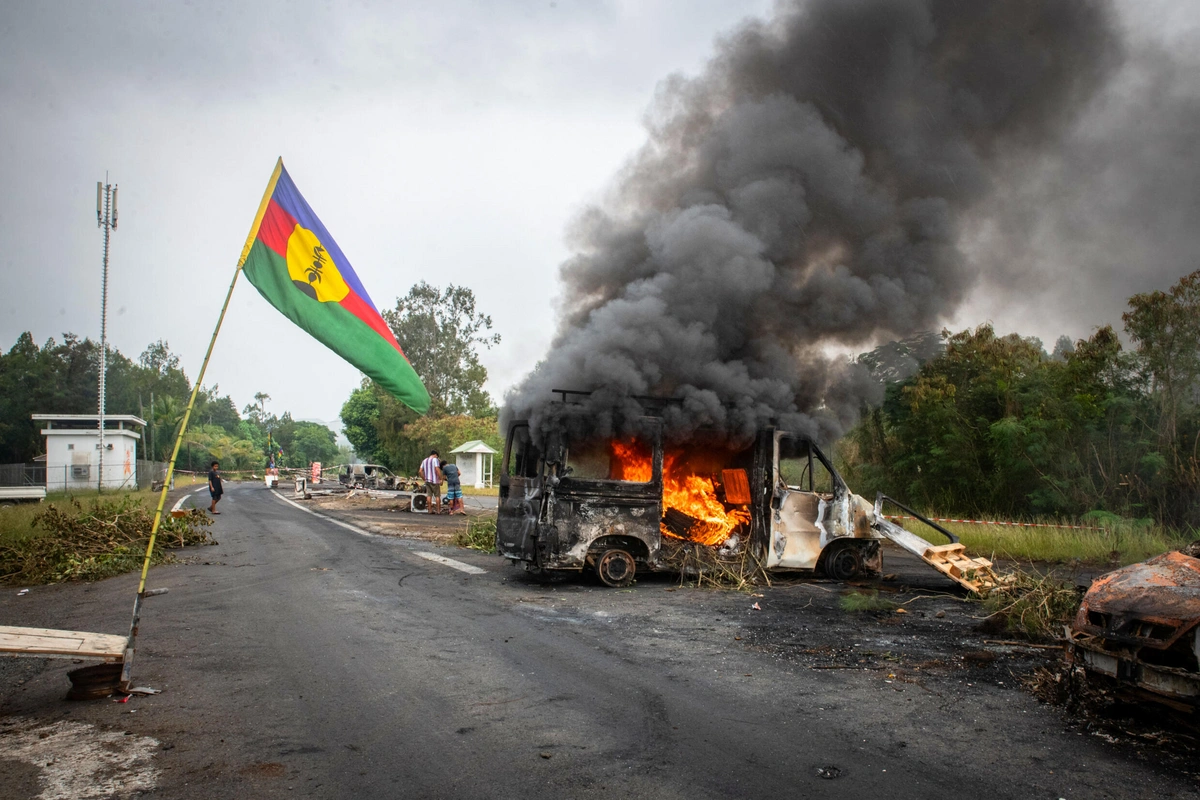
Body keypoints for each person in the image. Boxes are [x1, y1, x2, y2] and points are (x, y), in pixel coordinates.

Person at [419, 449, 442, 514]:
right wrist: (440, 479)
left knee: (429, 495)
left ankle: (430, 510)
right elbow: (437, 469)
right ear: (435, 455)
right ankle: (438, 510)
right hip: (435, 480)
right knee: (437, 495)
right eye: (437, 456)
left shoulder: (424, 460)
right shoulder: (435, 460)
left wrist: (424, 478)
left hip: (427, 481)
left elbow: (420, 471)